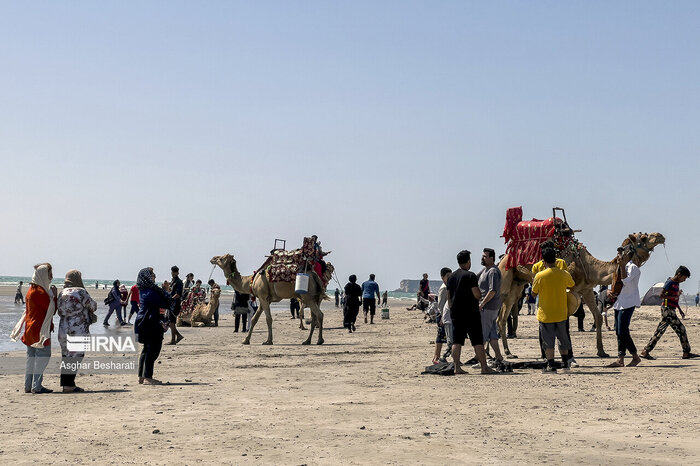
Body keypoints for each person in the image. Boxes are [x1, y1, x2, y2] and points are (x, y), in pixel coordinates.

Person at [10, 263, 56, 394]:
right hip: (39, 330)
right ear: (43, 275)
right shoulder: (41, 292)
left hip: (30, 328)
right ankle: (37, 386)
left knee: (31, 358)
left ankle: (28, 385)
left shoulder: (31, 290)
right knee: (43, 357)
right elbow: (51, 310)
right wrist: (54, 296)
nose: (51, 277)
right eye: (49, 274)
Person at [447, 250, 493, 374]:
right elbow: (476, 294)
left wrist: (452, 309)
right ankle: (484, 367)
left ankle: (457, 367)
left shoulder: (451, 277)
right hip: (471, 312)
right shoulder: (470, 275)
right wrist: (481, 296)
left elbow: (449, 295)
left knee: (457, 341)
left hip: (456, 312)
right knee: (477, 341)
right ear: (468, 261)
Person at [640, 266, 698, 360]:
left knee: (661, 331)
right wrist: (674, 296)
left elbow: (674, 299)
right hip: (667, 310)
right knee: (680, 329)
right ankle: (686, 352)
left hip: (671, 309)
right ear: (679, 274)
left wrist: (679, 309)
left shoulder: (676, 283)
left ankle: (645, 351)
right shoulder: (670, 282)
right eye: (684, 277)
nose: (684, 280)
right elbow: (662, 295)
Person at [532, 248, 575, 373]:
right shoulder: (564, 274)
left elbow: (534, 294)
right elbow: (572, 288)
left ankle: (551, 365)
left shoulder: (540, 276)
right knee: (563, 338)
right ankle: (565, 363)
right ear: (555, 260)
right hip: (561, 312)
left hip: (546, 314)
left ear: (544, 261)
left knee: (548, 341)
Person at [57, 269, 97, 392]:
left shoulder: (61, 293)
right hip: (77, 328)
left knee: (66, 356)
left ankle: (66, 384)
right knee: (76, 356)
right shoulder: (81, 292)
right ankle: (69, 385)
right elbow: (93, 306)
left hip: (63, 328)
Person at [134, 267, 171, 384]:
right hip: (150, 323)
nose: (154, 277)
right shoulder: (151, 291)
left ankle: (142, 376)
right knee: (153, 350)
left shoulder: (144, 290)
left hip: (145, 322)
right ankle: (147, 377)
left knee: (147, 349)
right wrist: (166, 290)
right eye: (152, 275)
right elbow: (166, 303)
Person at [606, 249, 643, 367]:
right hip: (620, 301)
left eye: (621, 254)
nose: (618, 256)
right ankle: (620, 358)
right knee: (618, 331)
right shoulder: (620, 267)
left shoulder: (633, 268)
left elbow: (626, 281)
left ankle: (635, 356)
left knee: (623, 331)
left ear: (627, 255)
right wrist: (612, 293)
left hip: (628, 302)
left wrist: (622, 266)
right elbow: (617, 284)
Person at [477, 248, 504, 364]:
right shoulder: (485, 270)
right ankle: (499, 357)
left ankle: (481, 360)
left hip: (488, 307)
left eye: (485, 256)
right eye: (482, 256)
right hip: (488, 307)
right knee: (492, 334)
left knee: (482, 335)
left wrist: (482, 303)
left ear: (491, 258)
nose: (482, 258)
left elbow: (492, 290)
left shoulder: (493, 271)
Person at [433, 267, 452, 364]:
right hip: (442, 315)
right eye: (447, 276)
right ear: (442, 277)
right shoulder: (443, 288)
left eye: (450, 275)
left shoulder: (448, 287)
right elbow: (440, 304)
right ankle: (436, 357)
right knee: (441, 337)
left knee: (445, 337)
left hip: (445, 315)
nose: (449, 278)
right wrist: (442, 317)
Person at [166, 266, 184, 345]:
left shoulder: (179, 282)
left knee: (171, 322)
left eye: (174, 272)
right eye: (172, 272)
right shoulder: (173, 281)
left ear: (177, 273)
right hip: (171, 304)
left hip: (175, 304)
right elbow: (171, 291)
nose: (173, 273)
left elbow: (178, 294)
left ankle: (173, 339)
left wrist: (172, 299)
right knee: (169, 322)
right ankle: (178, 336)